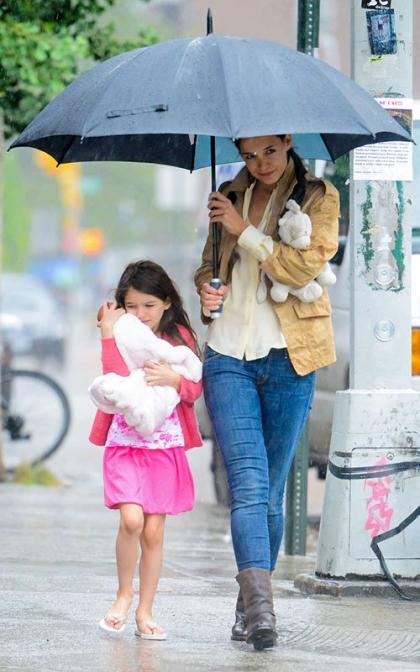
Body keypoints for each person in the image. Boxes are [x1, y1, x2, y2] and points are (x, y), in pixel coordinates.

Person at [194, 134, 339, 651]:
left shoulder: (319, 196)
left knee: (271, 495)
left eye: (269, 153)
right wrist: (209, 290)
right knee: (250, 487)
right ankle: (262, 612)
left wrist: (245, 230)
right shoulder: (227, 194)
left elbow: (303, 268)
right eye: (250, 155)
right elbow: (209, 266)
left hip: (289, 358)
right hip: (228, 355)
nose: (260, 164)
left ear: (287, 144)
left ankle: (247, 605)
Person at [89, 260, 202, 639]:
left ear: (167, 302)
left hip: (164, 448)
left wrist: (174, 379)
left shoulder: (178, 338)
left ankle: (145, 612)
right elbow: (112, 381)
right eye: (132, 306)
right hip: (125, 445)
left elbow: (195, 387)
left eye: (149, 306)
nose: (140, 314)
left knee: (153, 532)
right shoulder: (121, 334)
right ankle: (123, 594)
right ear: (122, 305)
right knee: (131, 521)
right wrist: (108, 332)